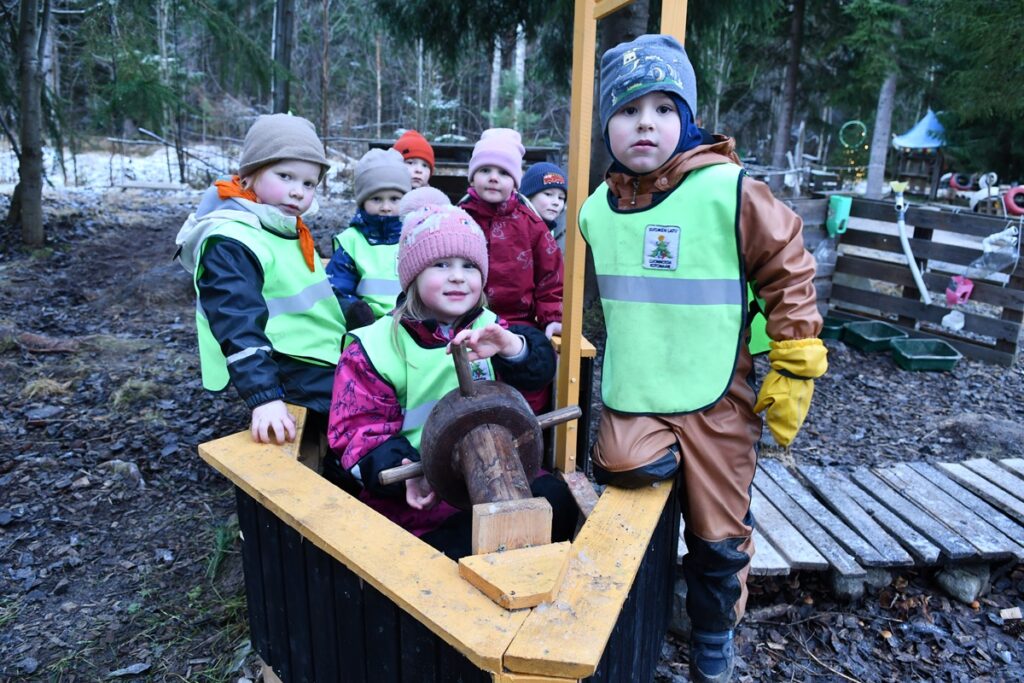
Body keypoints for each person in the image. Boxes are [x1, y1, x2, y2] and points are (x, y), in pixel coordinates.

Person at [579, 35, 827, 683]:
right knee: (621, 470)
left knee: (719, 534)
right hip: (636, 392)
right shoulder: (595, 211)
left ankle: (714, 635)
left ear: (685, 119)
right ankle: (650, 602)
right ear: (608, 123)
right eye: (628, 109)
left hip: (720, 392)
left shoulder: (730, 190)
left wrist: (794, 360)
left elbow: (789, 266)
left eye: (663, 108)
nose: (645, 123)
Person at [326, 194, 577, 559]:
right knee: (441, 554)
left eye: (469, 266)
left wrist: (513, 347)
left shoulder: (489, 329)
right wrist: (405, 473)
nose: (458, 277)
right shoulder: (375, 347)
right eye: (441, 264)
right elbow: (355, 432)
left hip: (499, 469)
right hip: (426, 491)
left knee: (558, 501)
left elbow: (536, 375)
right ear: (413, 275)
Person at [175, 113, 345, 445]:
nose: (298, 193)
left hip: (317, 351)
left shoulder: (281, 225)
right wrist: (265, 396)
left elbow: (299, 290)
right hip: (282, 365)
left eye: (309, 183)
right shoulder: (231, 241)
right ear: (251, 175)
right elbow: (237, 323)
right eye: (285, 176)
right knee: (358, 403)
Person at [459, 128, 564, 412]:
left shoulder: (530, 222)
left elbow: (550, 274)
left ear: (515, 182)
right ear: (472, 177)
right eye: (485, 170)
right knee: (469, 381)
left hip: (520, 319)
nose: (494, 177)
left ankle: (528, 428)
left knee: (529, 377)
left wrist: (552, 316)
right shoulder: (459, 217)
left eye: (504, 173)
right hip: (466, 318)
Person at [326, 148, 411, 330]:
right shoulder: (351, 242)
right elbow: (338, 288)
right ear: (363, 202)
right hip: (367, 326)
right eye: (376, 199)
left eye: (395, 199)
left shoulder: (416, 237)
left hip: (413, 323)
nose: (386, 207)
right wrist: (354, 312)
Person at [520, 162, 568, 249]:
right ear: (529, 196)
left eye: (561, 198)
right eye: (548, 194)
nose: (556, 202)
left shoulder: (545, 232)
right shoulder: (517, 230)